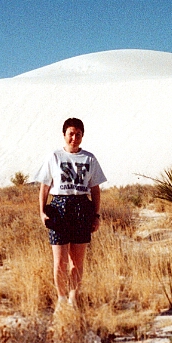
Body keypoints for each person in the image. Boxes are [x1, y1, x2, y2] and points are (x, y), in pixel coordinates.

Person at [33, 117, 107, 308]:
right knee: (60, 261)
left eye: (78, 134)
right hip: (59, 208)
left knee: (77, 261)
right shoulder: (54, 157)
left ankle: (73, 299)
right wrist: (42, 211)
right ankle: (61, 299)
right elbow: (45, 186)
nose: (74, 138)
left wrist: (96, 215)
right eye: (71, 134)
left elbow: (95, 189)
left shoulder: (89, 158)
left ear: (83, 136)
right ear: (64, 135)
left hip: (82, 207)